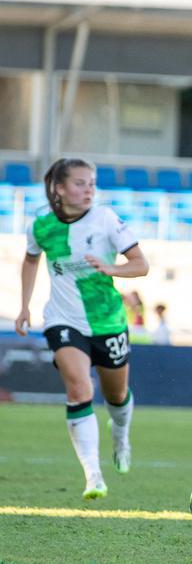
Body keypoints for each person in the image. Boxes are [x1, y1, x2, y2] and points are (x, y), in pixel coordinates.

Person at [14, 158, 149, 499]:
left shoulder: (106, 220)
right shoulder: (41, 226)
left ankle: (120, 435)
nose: (88, 189)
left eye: (91, 183)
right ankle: (93, 476)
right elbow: (31, 260)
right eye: (79, 183)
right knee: (79, 391)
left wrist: (110, 268)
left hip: (108, 321)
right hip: (63, 319)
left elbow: (140, 264)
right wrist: (25, 305)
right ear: (59, 188)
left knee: (117, 395)